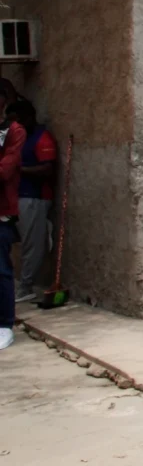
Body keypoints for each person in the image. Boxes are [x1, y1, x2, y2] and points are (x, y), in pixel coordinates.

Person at [11, 101, 56, 303]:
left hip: (33, 197)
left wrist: (18, 170)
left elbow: (48, 169)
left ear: (28, 118)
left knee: (32, 244)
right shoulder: (16, 138)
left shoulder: (41, 137)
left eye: (17, 120)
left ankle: (26, 286)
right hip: (15, 197)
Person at [0, 81, 28, 351]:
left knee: (2, 271)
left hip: (2, 213)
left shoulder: (13, 132)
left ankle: (5, 324)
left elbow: (5, 170)